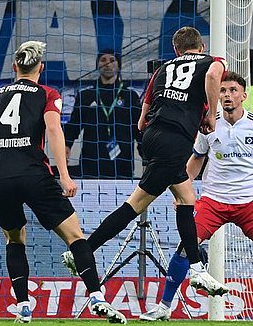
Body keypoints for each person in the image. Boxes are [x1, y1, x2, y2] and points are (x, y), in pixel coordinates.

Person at [62, 27, 229, 296]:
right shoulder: (212, 61)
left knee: (187, 199)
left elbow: (142, 117)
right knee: (135, 205)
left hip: (153, 135)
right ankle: (82, 251)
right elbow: (211, 76)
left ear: (176, 50)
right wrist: (210, 113)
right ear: (202, 46)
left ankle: (197, 268)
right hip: (174, 140)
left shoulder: (164, 67)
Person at [0, 41, 127, 324]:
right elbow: (54, 129)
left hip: (0, 179)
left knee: (14, 240)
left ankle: (23, 305)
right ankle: (97, 296)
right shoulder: (47, 93)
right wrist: (64, 175)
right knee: (75, 237)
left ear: (15, 67)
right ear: (41, 68)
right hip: (35, 175)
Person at [139, 72, 253, 322]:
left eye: (232, 90)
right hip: (213, 201)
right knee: (184, 248)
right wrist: (182, 190)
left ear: (243, 96)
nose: (227, 95)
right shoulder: (208, 124)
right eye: (222, 91)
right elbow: (197, 159)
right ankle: (164, 308)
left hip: (249, 201)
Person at [63, 49, 142, 178]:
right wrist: (66, 145)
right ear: (97, 65)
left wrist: (146, 153)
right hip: (91, 163)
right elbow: (74, 124)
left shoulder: (130, 96)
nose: (107, 64)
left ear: (119, 65)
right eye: (103, 60)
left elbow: (138, 128)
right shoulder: (86, 96)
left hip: (122, 163)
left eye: (112, 60)